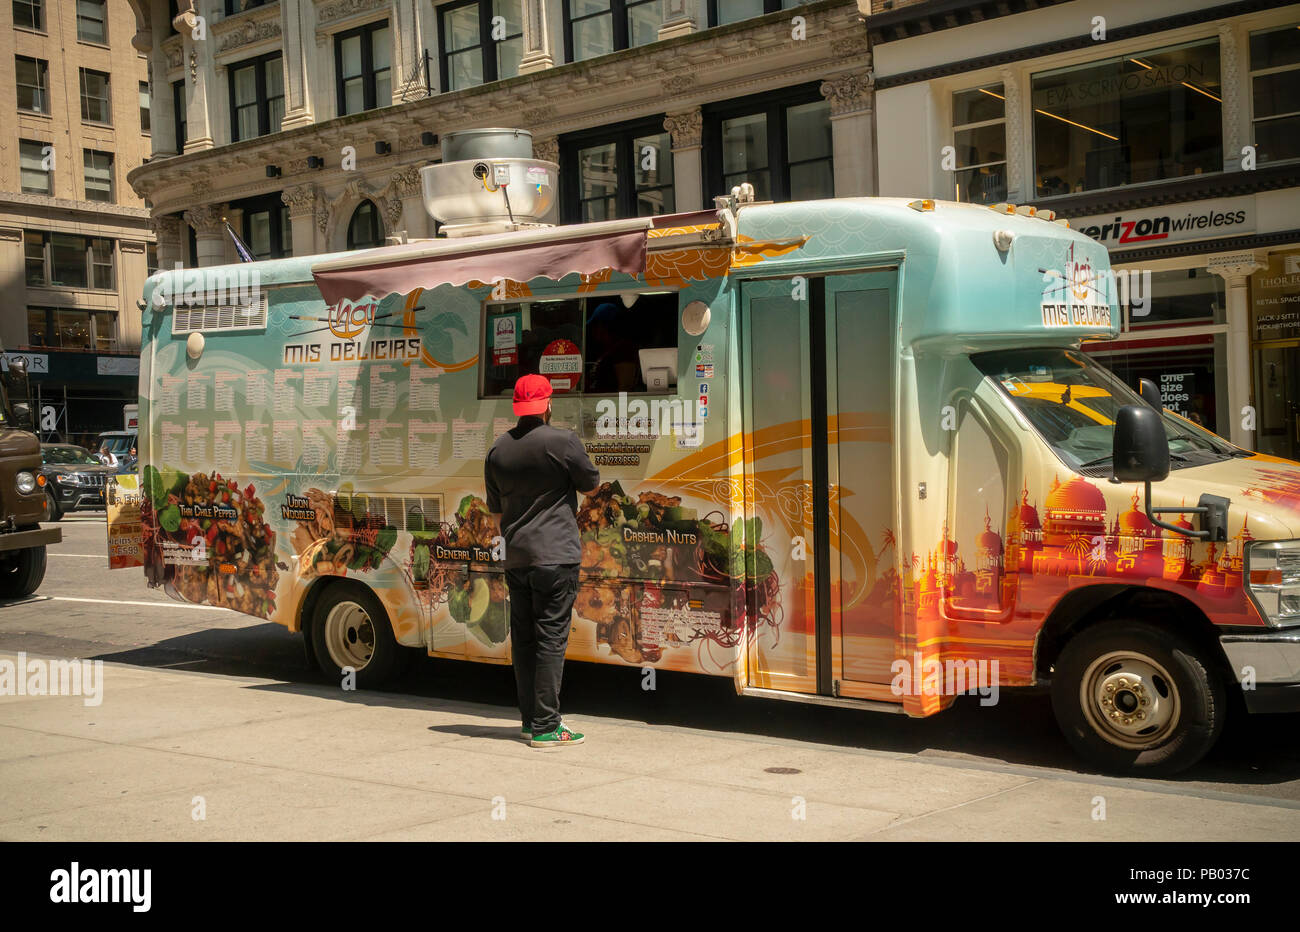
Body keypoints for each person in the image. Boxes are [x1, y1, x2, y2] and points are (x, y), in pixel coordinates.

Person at [485, 373, 600, 748]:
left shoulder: (498, 449)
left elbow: (495, 512)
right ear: (548, 405)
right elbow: (591, 484)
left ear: (518, 407)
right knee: (551, 639)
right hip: (555, 557)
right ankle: (548, 727)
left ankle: (530, 721)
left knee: (525, 639)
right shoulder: (562, 441)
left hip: (517, 558)